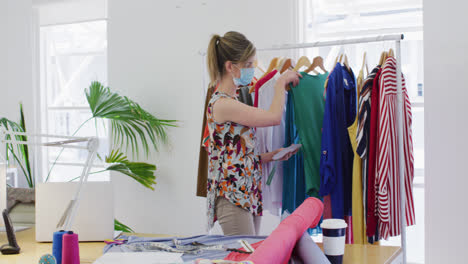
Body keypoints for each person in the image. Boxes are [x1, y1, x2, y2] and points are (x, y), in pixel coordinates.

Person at [205, 31, 302, 236]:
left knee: (253, 255)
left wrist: (272, 155)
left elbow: (236, 157)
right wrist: (279, 83)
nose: (252, 69)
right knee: (245, 257)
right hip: (233, 197)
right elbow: (274, 117)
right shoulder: (222, 104)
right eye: (248, 65)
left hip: (248, 193)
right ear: (230, 66)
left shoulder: (234, 101)